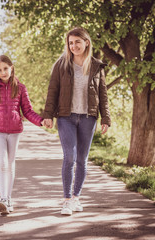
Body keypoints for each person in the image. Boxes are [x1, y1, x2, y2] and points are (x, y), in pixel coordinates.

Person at [42, 27, 111, 215]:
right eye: (70, 43)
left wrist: (106, 117)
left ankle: (76, 198)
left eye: (77, 42)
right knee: (69, 157)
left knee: (82, 160)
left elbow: (102, 94)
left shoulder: (97, 66)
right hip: (66, 117)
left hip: (89, 118)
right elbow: (52, 91)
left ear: (86, 42)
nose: (73, 46)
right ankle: (66, 200)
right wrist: (47, 114)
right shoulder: (62, 64)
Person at [0, 55, 43, 215]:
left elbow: (28, 111)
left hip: (15, 131)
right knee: (1, 163)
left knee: (10, 163)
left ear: (11, 67)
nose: (3, 72)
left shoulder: (20, 88)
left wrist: (41, 122)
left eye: (5, 68)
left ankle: (8, 198)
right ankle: (3, 199)